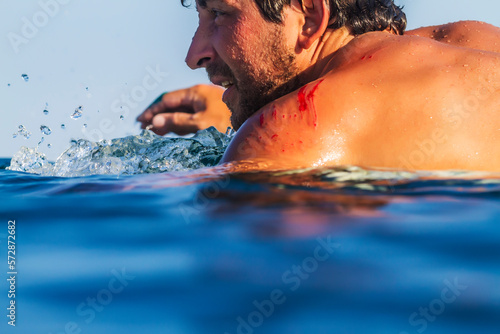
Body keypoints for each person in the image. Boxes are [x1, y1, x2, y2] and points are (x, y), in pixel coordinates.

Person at [137, 0, 500, 171]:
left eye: (219, 13)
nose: (193, 54)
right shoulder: (476, 38)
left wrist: (260, 128)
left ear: (309, 18)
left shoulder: (285, 134)